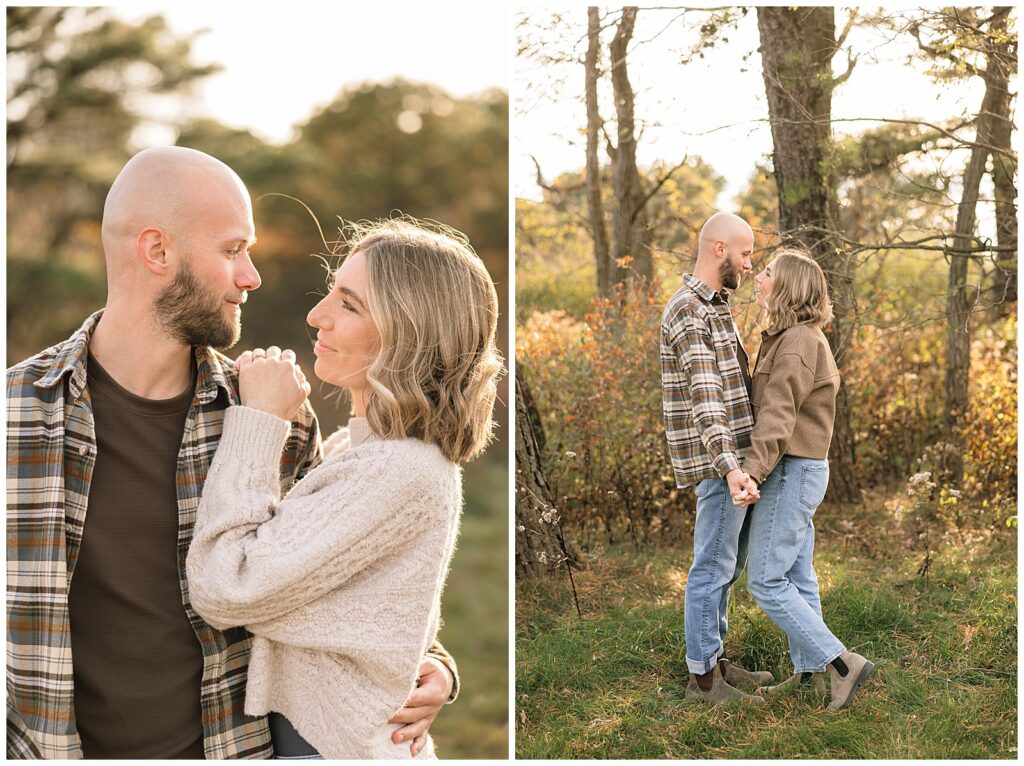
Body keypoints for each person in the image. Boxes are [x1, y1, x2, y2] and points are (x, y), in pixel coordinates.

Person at [6, 147, 457, 759]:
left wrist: (432, 662)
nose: (253, 276)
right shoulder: (15, 418)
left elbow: (336, 569)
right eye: (232, 250)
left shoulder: (271, 418)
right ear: (157, 251)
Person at [185, 219, 502, 758]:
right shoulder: (352, 453)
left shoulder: (402, 470)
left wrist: (259, 422)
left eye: (349, 304)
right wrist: (438, 663)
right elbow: (375, 606)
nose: (317, 315)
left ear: (410, 334)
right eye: (331, 291)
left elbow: (225, 586)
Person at [734, 248, 874, 711]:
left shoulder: (796, 342)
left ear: (788, 285)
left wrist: (750, 471)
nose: (759, 277)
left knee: (766, 580)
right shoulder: (793, 336)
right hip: (800, 469)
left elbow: (777, 416)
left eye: (768, 272)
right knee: (797, 574)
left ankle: (841, 664)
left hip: (791, 470)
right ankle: (809, 675)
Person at [660, 211, 773, 705]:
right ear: (719, 249)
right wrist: (730, 468)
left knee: (727, 565)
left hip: (734, 461)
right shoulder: (689, 310)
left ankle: (717, 662)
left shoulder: (717, 306)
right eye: (746, 253)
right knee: (712, 566)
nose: (751, 265)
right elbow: (707, 400)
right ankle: (703, 680)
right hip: (718, 464)